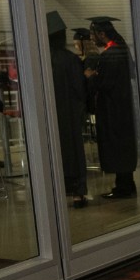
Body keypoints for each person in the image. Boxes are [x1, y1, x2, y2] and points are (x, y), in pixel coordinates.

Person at [84, 16, 137, 199]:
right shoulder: (119, 50)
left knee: (117, 146)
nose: (91, 38)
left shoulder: (111, 54)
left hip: (113, 109)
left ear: (101, 33)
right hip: (121, 107)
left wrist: (90, 75)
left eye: (93, 34)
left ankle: (123, 188)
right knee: (122, 145)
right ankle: (126, 184)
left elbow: (103, 82)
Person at [47, 11, 89, 208]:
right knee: (74, 153)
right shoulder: (70, 59)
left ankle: (55, 191)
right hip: (70, 113)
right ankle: (78, 193)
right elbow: (79, 89)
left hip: (48, 115)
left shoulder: (42, 60)